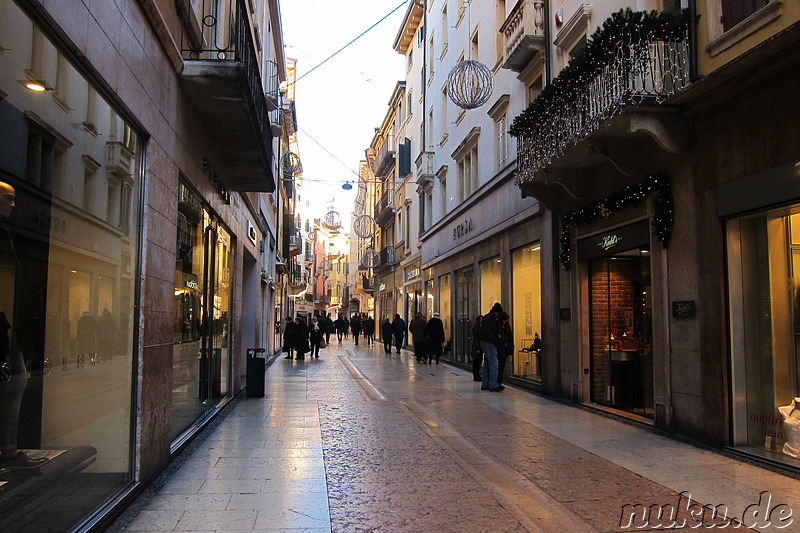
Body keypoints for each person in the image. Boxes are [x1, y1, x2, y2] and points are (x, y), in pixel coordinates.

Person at [0, 181, 48, 470]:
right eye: (9, 198)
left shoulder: (7, 234)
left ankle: (7, 447)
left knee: (19, 377)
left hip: (7, 323)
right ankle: (7, 448)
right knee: (17, 377)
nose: (14, 204)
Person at [479, 302, 505, 392]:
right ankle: (493, 384)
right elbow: (487, 332)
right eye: (499, 313)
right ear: (496, 312)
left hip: (487, 342)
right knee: (494, 364)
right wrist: (495, 339)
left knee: (487, 364)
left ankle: (485, 383)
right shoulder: (490, 319)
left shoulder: (489, 318)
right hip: (489, 343)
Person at [498, 312, 514, 387]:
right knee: (499, 366)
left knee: (502, 366)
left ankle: (499, 381)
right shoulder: (498, 327)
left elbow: (510, 337)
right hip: (500, 349)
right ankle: (497, 381)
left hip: (505, 349)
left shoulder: (507, 327)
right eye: (504, 320)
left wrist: (510, 348)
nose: (505, 321)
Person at [471, 315, 483, 381]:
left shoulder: (479, 327)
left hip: (479, 347)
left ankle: (477, 375)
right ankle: (476, 376)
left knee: (478, 361)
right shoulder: (477, 328)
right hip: (477, 347)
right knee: (477, 362)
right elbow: (477, 339)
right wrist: (478, 348)